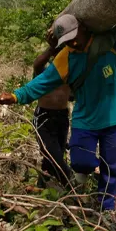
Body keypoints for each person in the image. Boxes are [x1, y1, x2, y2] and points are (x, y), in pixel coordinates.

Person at [0, 12, 116, 211]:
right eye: (66, 41)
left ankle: (105, 208)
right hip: (85, 122)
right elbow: (42, 82)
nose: (72, 44)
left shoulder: (108, 43)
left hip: (113, 119)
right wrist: (15, 96)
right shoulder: (66, 57)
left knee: (111, 168)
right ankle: (80, 184)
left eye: (73, 38)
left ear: (82, 29)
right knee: (81, 162)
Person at [30, 29, 74, 189]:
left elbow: (73, 95)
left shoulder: (70, 71)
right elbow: (37, 64)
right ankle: (69, 186)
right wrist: (50, 48)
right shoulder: (45, 71)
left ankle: (43, 187)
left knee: (56, 154)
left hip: (62, 116)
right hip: (44, 117)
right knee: (52, 154)